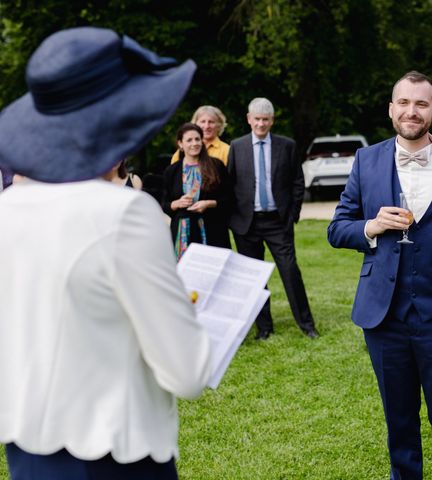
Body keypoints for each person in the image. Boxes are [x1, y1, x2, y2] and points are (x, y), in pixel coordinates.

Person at [0, 27, 214, 479]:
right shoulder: (124, 214)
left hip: (27, 450)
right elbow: (186, 373)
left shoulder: (8, 208)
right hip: (113, 454)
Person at [328, 71, 432, 480]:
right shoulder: (366, 160)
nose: (411, 111)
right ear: (391, 109)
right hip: (385, 318)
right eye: (403, 102)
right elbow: (336, 227)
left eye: (420, 104)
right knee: (400, 426)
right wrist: (372, 227)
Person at [227, 97, 318, 340]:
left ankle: (307, 325)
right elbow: (230, 183)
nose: (261, 124)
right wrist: (233, 219)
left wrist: (292, 215)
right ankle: (264, 328)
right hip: (247, 223)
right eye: (257, 119)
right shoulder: (237, 146)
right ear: (249, 119)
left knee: (290, 271)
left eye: (265, 120)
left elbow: (298, 182)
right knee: (255, 277)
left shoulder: (286, 146)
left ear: (272, 121)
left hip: (278, 222)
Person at [163, 122, 232, 258]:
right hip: (182, 234)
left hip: (212, 230)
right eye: (189, 140)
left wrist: (209, 204)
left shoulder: (216, 166)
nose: (194, 143)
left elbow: (230, 199)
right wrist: (177, 203)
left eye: (197, 139)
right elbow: (163, 204)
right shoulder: (172, 170)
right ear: (180, 144)